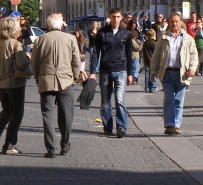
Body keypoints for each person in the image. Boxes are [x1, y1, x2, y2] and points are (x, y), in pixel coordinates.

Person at [31, 13, 80, 158]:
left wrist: (38, 78)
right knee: (66, 115)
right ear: (62, 25)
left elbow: (34, 63)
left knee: (48, 115)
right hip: (66, 81)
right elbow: (76, 61)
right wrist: (74, 77)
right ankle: (65, 146)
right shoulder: (71, 39)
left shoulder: (40, 39)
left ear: (48, 25)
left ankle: (50, 149)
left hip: (46, 81)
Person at [149, 13, 198, 135]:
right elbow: (156, 55)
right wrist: (153, 71)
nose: (174, 23)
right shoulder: (164, 38)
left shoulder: (187, 38)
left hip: (182, 73)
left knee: (178, 100)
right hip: (167, 72)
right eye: (172, 21)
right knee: (169, 99)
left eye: (176, 21)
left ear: (181, 22)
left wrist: (192, 68)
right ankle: (169, 125)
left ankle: (176, 125)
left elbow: (194, 55)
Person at [89, 8, 134, 138]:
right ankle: (108, 127)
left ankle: (121, 127)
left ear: (121, 18)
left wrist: (130, 73)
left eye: (118, 16)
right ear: (110, 17)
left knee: (120, 100)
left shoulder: (125, 33)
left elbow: (129, 54)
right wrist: (93, 71)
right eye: (113, 16)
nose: (115, 19)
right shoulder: (102, 33)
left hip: (121, 70)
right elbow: (96, 53)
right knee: (105, 101)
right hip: (105, 70)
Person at [0, 17, 29, 155]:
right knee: (17, 114)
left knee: (6, 110)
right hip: (14, 82)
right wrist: (27, 57)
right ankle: (9, 145)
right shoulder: (15, 44)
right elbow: (22, 64)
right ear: (13, 29)